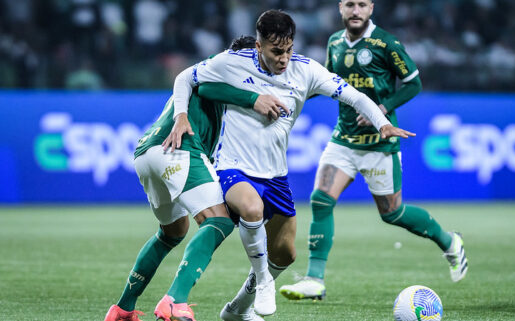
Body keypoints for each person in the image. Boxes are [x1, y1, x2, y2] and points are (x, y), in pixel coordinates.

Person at [163, 9, 415, 321]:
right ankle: (263, 281)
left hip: (276, 176)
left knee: (285, 254)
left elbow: (354, 96)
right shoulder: (233, 61)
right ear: (258, 46)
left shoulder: (305, 70)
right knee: (251, 209)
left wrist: (381, 123)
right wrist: (181, 115)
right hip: (233, 167)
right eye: (276, 51)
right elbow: (185, 78)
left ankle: (237, 309)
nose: (283, 58)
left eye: (288, 49)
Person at [278, 0, 468, 302]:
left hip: (380, 142)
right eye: (350, 4)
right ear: (341, 8)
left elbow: (413, 83)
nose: (356, 11)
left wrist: (382, 108)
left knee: (393, 213)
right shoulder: (334, 42)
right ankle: (315, 279)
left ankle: (449, 241)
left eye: (362, 5)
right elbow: (328, 82)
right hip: (344, 139)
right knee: (320, 199)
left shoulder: (387, 43)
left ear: (371, 8)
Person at [103, 36, 286, 321]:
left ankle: (123, 309)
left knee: (172, 232)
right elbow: (210, 88)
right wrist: (255, 100)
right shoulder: (218, 74)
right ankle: (175, 300)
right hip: (178, 149)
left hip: (147, 152)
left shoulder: (213, 81)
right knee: (220, 219)